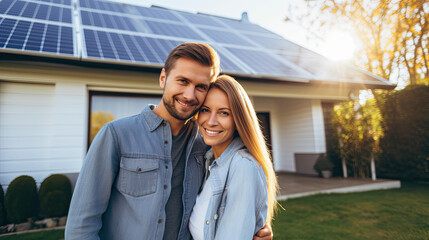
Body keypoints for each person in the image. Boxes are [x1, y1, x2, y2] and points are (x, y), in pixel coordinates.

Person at [65, 42, 272, 240]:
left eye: (201, 86)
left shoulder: (206, 145)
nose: (189, 95)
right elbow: (81, 225)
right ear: (163, 78)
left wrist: (252, 229)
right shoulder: (116, 134)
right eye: (183, 81)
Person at [188, 75, 278, 239]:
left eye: (223, 113)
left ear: (238, 120)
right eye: (205, 110)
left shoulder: (243, 167)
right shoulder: (208, 162)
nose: (211, 121)